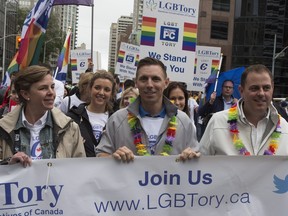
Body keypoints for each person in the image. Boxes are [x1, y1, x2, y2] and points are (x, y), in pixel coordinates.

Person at [95, 57, 199, 162]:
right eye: (144, 79)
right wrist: (113, 158)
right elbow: (100, 155)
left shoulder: (184, 121)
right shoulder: (117, 120)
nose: (149, 85)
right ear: (136, 82)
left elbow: (197, 158)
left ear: (166, 83)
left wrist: (192, 156)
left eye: (155, 79)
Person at [0, 65, 86, 167]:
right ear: (26, 94)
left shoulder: (70, 128)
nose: (51, 93)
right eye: (43, 88)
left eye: (52, 87)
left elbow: (80, 169)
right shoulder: (3, 128)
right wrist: (8, 164)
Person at [200, 64, 288, 155]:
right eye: (254, 88)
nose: (261, 93)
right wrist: (189, 159)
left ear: (272, 89)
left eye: (266, 88)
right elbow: (200, 163)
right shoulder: (218, 122)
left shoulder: (285, 128)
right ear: (241, 90)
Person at [67, 70, 115, 157]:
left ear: (111, 94)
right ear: (90, 89)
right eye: (97, 88)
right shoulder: (73, 117)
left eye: (107, 89)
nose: (101, 93)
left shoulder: (116, 120)